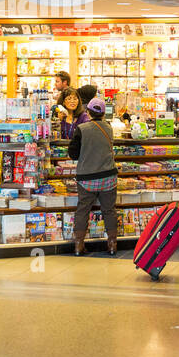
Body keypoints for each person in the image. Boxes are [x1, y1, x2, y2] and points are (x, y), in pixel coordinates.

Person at [66, 97, 119, 256]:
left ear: (88, 111)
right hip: (108, 176)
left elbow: (73, 154)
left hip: (86, 177)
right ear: (103, 113)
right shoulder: (109, 127)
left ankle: (78, 245)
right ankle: (112, 244)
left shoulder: (81, 129)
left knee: (82, 209)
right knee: (109, 210)